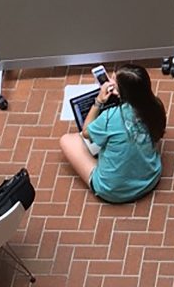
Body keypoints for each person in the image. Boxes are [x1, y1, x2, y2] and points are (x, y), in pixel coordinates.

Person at [59, 64, 166, 204]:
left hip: (112, 190)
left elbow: (85, 132)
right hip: (150, 179)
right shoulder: (155, 106)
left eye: (115, 83)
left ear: (122, 93)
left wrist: (99, 101)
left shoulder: (110, 117)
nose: (110, 83)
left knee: (67, 140)